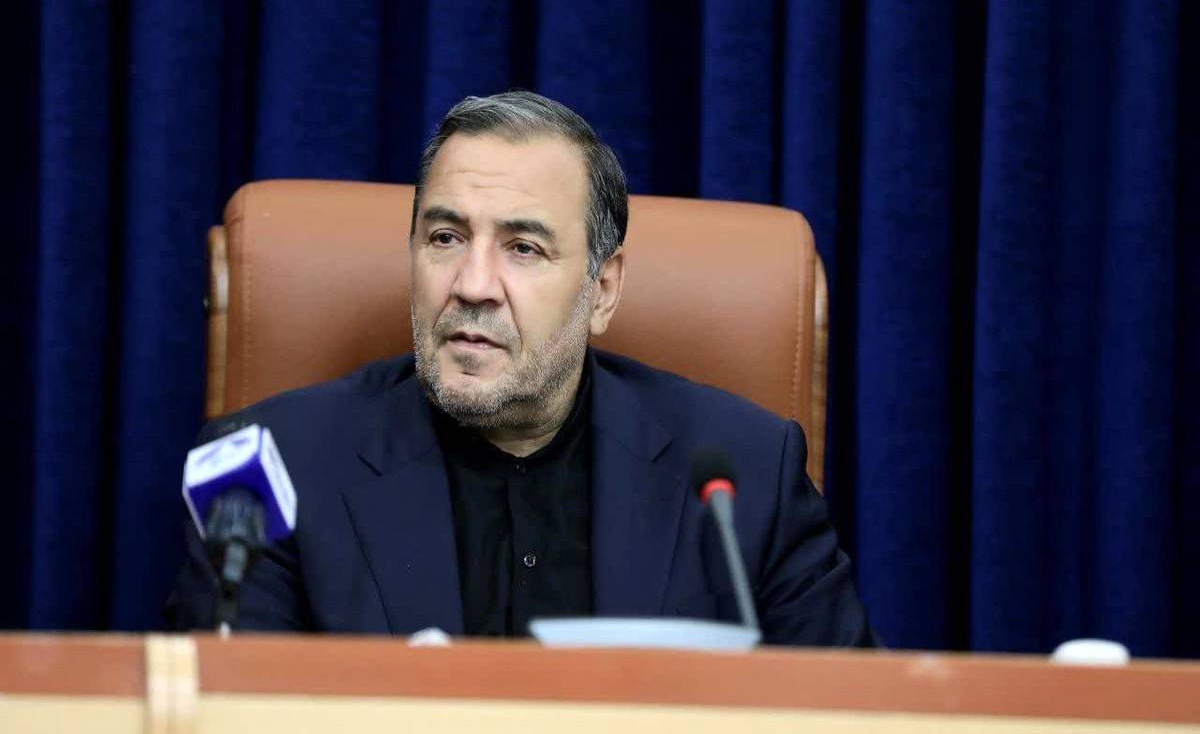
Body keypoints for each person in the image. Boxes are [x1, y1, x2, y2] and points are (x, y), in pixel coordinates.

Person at [166, 91, 876, 646]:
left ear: (603, 290)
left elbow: (846, 717)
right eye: (446, 237)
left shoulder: (748, 477)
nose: (472, 285)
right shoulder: (272, 469)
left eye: (523, 248)